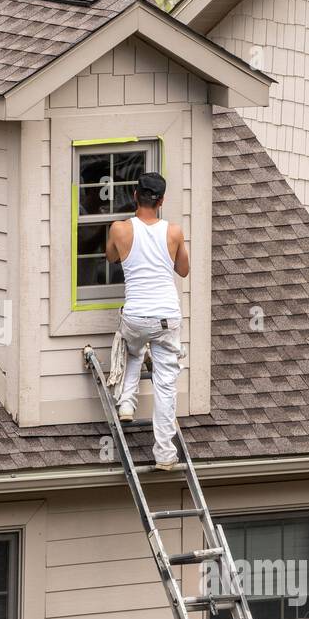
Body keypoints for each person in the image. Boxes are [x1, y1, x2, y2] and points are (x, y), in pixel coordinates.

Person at [105, 171, 190, 469]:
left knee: (132, 346)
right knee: (166, 386)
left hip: (137, 315)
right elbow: (183, 270)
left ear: (134, 195)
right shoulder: (174, 232)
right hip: (167, 316)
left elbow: (111, 257)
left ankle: (126, 402)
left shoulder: (119, 229)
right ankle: (165, 454)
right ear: (162, 200)